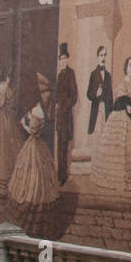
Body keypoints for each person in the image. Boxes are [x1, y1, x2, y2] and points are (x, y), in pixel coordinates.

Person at [91, 56, 131, 198]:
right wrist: (126, 104)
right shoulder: (120, 83)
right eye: (129, 65)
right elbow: (119, 98)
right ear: (125, 67)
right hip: (120, 116)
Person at [8, 103, 61, 235]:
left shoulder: (37, 115)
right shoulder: (38, 112)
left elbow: (32, 130)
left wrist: (24, 124)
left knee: (34, 179)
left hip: (34, 147)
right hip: (35, 146)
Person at [54, 42, 78, 184]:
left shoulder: (70, 74)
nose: (63, 61)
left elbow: (74, 95)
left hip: (66, 115)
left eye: (65, 59)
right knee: (59, 145)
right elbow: (57, 94)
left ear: (67, 59)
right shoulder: (59, 75)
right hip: (60, 116)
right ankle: (59, 175)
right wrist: (57, 103)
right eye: (61, 59)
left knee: (64, 145)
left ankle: (63, 176)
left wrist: (64, 105)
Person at [86, 45, 113, 137]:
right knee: (96, 137)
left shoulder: (108, 76)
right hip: (96, 110)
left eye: (105, 55)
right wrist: (96, 94)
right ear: (97, 57)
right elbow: (88, 95)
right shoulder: (93, 74)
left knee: (105, 136)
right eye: (101, 55)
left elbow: (110, 97)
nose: (103, 58)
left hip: (106, 111)